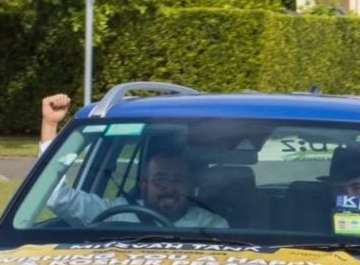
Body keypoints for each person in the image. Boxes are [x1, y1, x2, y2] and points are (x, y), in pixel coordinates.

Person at [37, 94, 227, 228]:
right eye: (160, 179)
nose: (169, 188)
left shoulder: (211, 225)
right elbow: (55, 196)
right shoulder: (115, 213)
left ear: (191, 187)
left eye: (178, 180)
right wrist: (50, 124)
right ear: (144, 185)